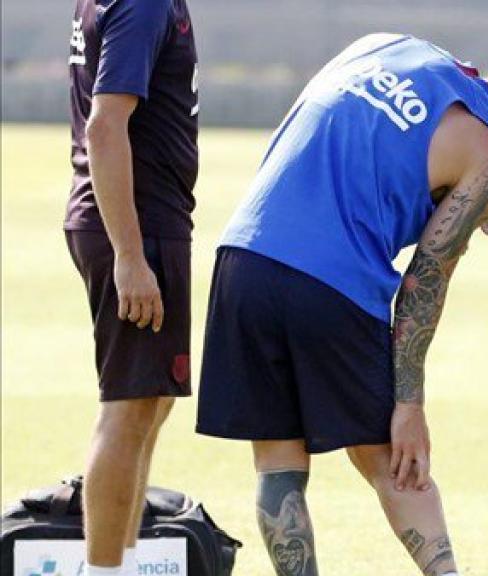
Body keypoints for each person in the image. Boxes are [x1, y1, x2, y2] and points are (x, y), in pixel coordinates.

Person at [195, 33, 488, 576]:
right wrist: (410, 405)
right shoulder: (485, 161)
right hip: (333, 284)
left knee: (278, 467)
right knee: (396, 463)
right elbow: (425, 282)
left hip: (245, 258)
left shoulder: (385, 43)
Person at [65, 0, 199, 574]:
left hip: (144, 223)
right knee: (128, 407)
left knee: (149, 402)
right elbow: (105, 122)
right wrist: (129, 255)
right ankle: (105, 569)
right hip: (136, 227)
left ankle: (122, 559)